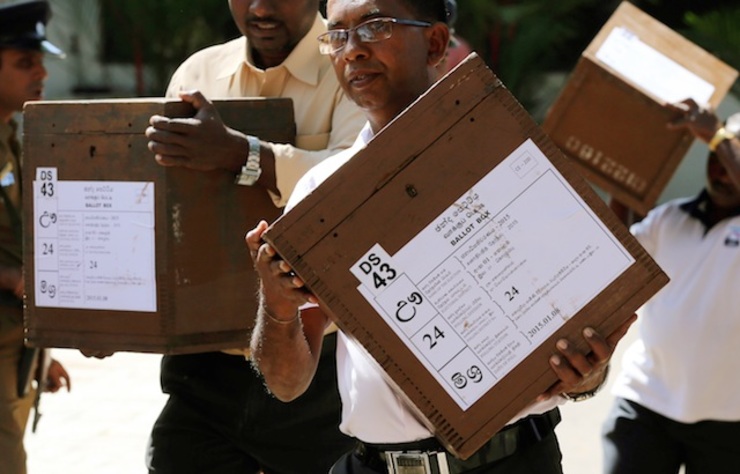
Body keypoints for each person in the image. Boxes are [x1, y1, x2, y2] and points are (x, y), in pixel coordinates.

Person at [247, 0, 636, 472]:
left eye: (374, 28)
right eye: (337, 35)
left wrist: (586, 375)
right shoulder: (319, 194)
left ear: (434, 42)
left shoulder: (512, 161)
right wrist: (278, 304)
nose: (351, 51)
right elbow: (287, 384)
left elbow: (581, 345)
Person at [142, 1, 365, 473]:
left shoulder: (353, 65)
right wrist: (105, 315)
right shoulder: (198, 73)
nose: (260, 7)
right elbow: (160, 212)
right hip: (201, 371)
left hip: (318, 369)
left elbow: (358, 187)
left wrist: (243, 155)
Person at [602, 99, 740, 474]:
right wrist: (623, 185)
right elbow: (617, 262)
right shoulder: (669, 219)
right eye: (715, 158)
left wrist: (716, 134)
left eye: (729, 158)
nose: (723, 174)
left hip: (730, 419)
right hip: (646, 402)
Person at [0, 1, 71, 473]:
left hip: (16, 349)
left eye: (40, 59)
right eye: (25, 62)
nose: (41, 71)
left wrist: (42, 355)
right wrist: (9, 277)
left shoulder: (11, 133)